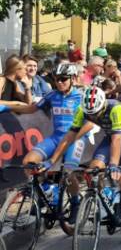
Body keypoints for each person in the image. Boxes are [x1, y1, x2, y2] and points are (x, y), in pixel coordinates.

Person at [46, 85, 121, 224]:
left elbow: (118, 139)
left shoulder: (115, 108)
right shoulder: (82, 110)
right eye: (89, 114)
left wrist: (114, 165)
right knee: (93, 172)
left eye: (95, 113)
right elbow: (69, 137)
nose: (92, 116)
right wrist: (52, 160)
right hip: (110, 136)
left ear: (103, 105)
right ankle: (104, 207)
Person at [3, 64, 85, 223]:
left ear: (72, 79)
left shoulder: (81, 96)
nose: (59, 83)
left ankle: (75, 202)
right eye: (56, 79)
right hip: (56, 138)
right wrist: (5, 108)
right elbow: (31, 108)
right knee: (28, 162)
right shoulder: (52, 95)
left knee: (68, 174)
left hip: (75, 139)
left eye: (63, 79)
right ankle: (47, 191)